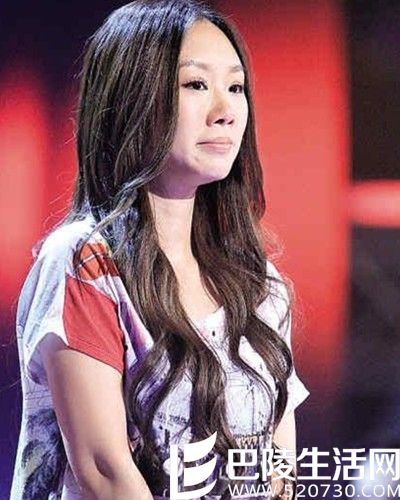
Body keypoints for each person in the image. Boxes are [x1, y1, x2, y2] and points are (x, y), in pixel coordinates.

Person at [10, 1, 310, 498]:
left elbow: (279, 464)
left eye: (236, 87)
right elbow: (105, 471)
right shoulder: (86, 264)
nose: (225, 110)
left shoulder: (259, 283)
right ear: (133, 96)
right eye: (196, 85)